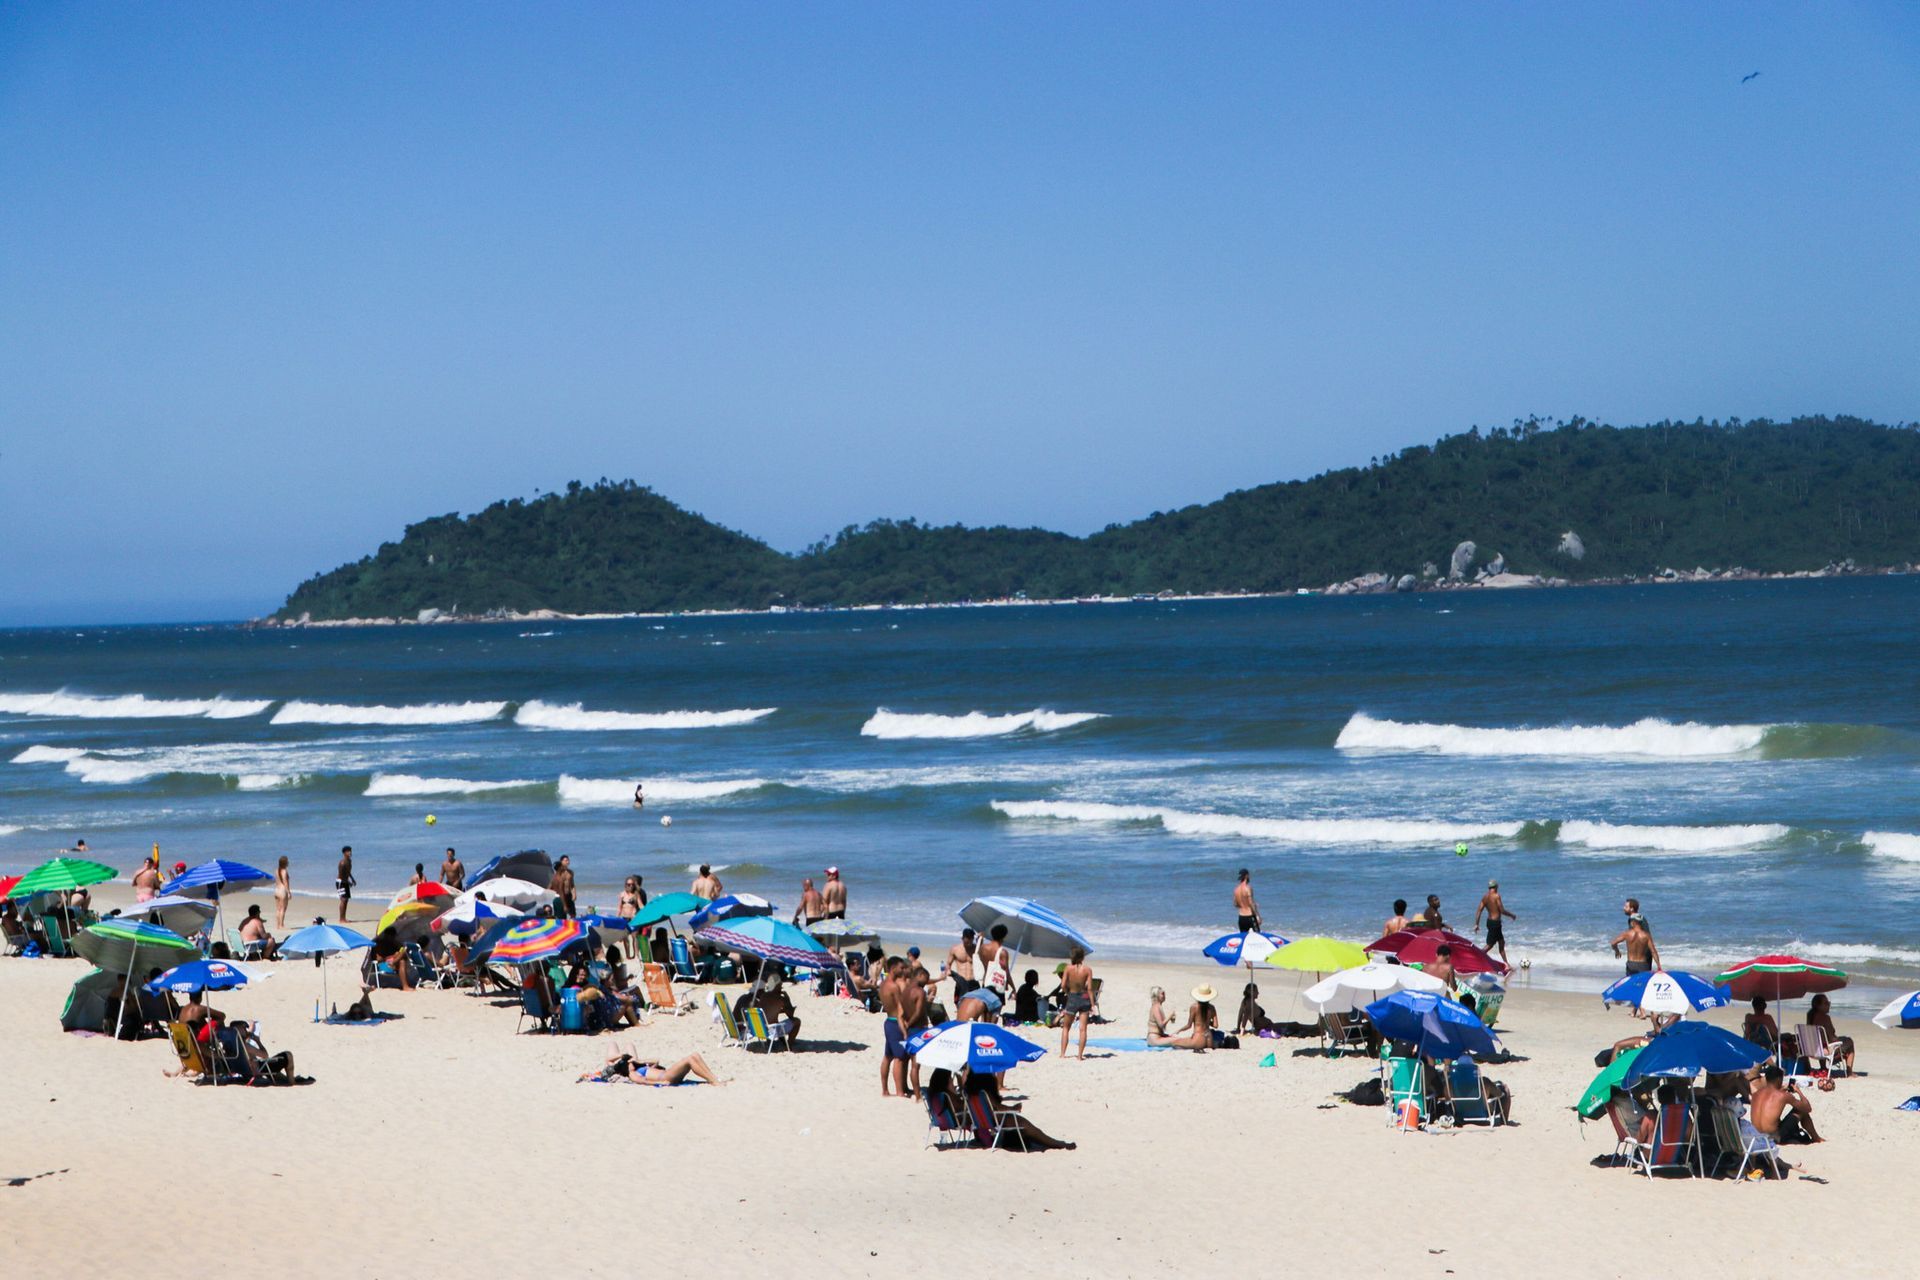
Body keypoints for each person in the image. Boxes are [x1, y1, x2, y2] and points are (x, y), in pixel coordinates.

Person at [957, 1067, 1077, 1151]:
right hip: (996, 1119)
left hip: (982, 1120)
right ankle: (1057, 1144)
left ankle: (1053, 1143)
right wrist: (1014, 1108)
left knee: (1028, 1128)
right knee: (1029, 1127)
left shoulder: (970, 1090)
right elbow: (998, 1108)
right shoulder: (984, 1091)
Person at [1750, 1064, 1823, 1146]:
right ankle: (1816, 1138)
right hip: (1774, 1138)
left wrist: (1781, 1090)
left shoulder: (1756, 1094)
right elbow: (1807, 1108)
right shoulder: (1783, 1096)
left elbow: (1770, 1098)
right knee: (1801, 1110)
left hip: (1757, 1135)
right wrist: (1798, 1091)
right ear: (1778, 1079)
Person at [582, 1046, 728, 1086]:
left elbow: (656, 1060)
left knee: (694, 1055)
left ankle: (714, 1079)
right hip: (667, 1076)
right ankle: (714, 1082)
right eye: (630, 1063)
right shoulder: (633, 1074)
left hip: (668, 1074)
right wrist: (660, 1082)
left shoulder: (637, 1067)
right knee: (690, 1059)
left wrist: (638, 1061)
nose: (632, 1063)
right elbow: (643, 1081)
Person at [747, 964, 802, 1044]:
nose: (781, 987)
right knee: (797, 1021)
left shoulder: (763, 996)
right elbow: (790, 1015)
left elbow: (769, 1011)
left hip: (759, 1029)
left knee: (775, 1019)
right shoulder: (781, 998)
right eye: (780, 985)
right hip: (770, 1031)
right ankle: (790, 1044)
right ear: (778, 985)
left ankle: (781, 1042)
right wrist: (788, 1000)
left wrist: (780, 1010)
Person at [1057, 947, 1094, 1060]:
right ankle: (1079, 1056)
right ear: (1082, 957)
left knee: (1066, 1028)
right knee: (1083, 1029)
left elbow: (1063, 985)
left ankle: (1063, 1054)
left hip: (1072, 997)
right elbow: (1090, 988)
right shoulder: (1087, 970)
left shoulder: (1068, 968)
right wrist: (1092, 1004)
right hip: (1084, 997)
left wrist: (1068, 992)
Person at [1806, 993, 1856, 1075]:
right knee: (1849, 1042)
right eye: (1826, 1003)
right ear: (1818, 1006)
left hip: (1811, 1050)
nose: (1828, 1005)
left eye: (1828, 1002)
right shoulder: (1825, 1018)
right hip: (1823, 1051)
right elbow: (1832, 1038)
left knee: (1822, 1042)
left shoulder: (1810, 1016)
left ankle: (1823, 1067)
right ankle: (1849, 1071)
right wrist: (1839, 1040)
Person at [1475, 880, 1515, 968]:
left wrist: (1476, 924)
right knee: (1490, 945)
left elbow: (1479, 910)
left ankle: (1506, 964)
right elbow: (1502, 910)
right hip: (1495, 924)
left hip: (1490, 922)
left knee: (1501, 942)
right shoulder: (1496, 896)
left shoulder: (1485, 897)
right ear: (1496, 887)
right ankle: (1476, 958)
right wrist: (1512, 915)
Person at [1165, 986, 1218, 1051]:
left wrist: (1179, 1030)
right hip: (1209, 1039)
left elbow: (1189, 1025)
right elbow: (1216, 1025)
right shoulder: (1212, 1007)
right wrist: (1207, 1021)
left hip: (1199, 1039)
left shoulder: (1194, 1007)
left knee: (1174, 1043)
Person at [1610, 909, 1660, 974]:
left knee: (1632, 982)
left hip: (1631, 964)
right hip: (1643, 965)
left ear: (1633, 922)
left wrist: (1617, 951)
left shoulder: (1627, 934)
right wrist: (1659, 966)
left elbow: (1613, 943)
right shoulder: (1646, 935)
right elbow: (1653, 951)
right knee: (1642, 983)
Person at [977, 923, 1013, 999]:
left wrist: (980, 939)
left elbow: (978, 955)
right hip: (997, 984)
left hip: (985, 982)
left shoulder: (983, 948)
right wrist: (1013, 988)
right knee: (995, 1009)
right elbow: (1006, 973)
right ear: (1003, 936)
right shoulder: (1003, 952)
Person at [943, 928, 979, 1003]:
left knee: (976, 1005)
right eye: (966, 942)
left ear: (973, 939)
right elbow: (948, 964)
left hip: (973, 981)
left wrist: (980, 941)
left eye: (970, 942)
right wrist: (948, 971)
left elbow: (986, 957)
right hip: (960, 981)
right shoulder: (955, 949)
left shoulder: (977, 949)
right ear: (962, 938)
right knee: (958, 1003)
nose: (968, 944)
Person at [1232, 868, 1261, 932]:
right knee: (1258, 936)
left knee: (1244, 937)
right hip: (1250, 916)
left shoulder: (1236, 889)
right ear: (1246, 876)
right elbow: (1251, 903)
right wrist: (1257, 916)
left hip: (1241, 917)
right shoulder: (1248, 888)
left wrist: (1243, 905)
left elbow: (1235, 904)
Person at [335, 846, 355, 924]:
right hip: (341, 882)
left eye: (350, 851)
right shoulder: (342, 863)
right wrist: (348, 882)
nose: (350, 853)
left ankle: (344, 918)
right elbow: (341, 875)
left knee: (346, 900)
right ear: (344, 853)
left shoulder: (349, 861)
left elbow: (348, 871)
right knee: (343, 900)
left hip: (345, 881)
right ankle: (341, 919)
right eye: (348, 851)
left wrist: (352, 879)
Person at [271, 856, 291, 929]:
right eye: (287, 861)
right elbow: (285, 882)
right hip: (282, 890)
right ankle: (281, 925)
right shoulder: (284, 871)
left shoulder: (276, 870)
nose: (288, 862)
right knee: (283, 909)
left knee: (278, 909)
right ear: (285, 863)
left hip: (276, 890)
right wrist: (288, 892)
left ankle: (278, 925)